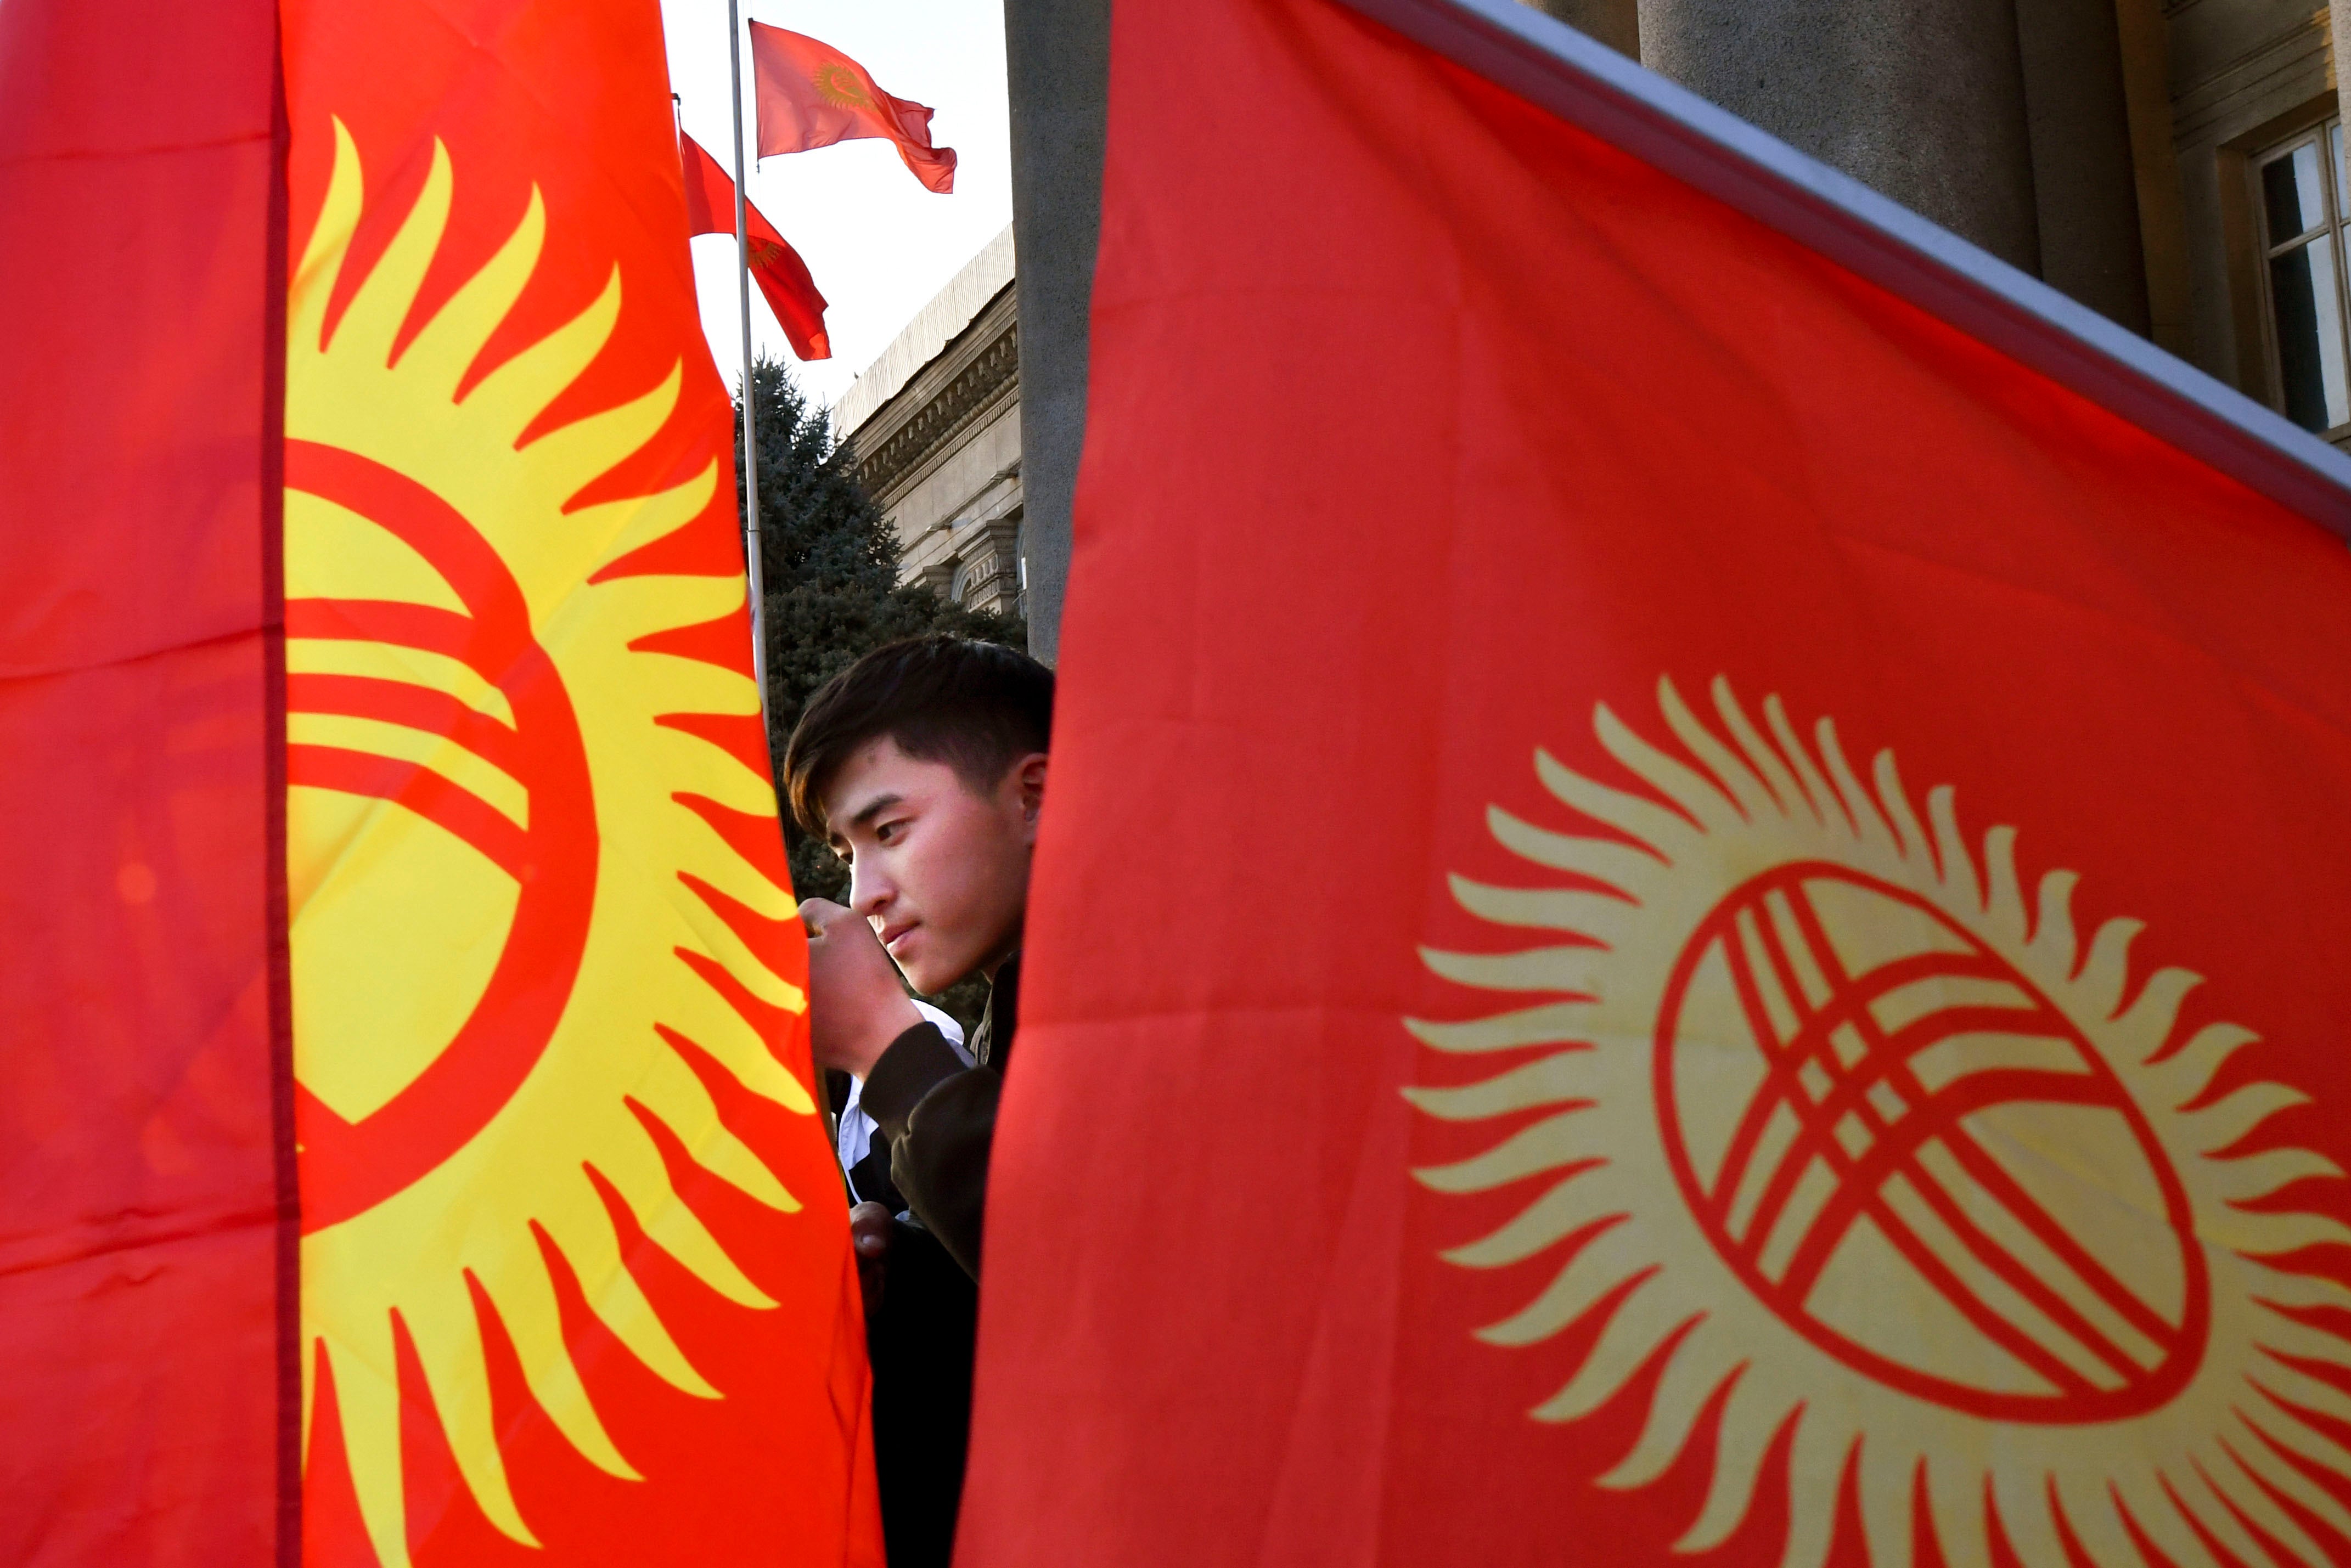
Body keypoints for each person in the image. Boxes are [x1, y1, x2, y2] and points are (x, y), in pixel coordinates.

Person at [782, 635, 1051, 1566]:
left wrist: (883, 1041)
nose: (867, 896)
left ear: (1035, 796)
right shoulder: (1027, 995)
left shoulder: (1149, 980)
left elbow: (1087, 1267)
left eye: (889, 831)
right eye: (848, 852)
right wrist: (904, 1277)